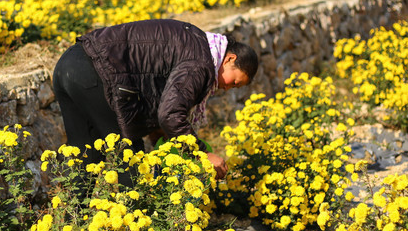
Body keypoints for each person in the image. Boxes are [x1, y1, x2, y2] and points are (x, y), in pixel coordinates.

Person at [52, 19, 258, 180]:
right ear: (230, 59)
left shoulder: (197, 42)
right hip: (95, 73)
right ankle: (135, 228)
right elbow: (169, 114)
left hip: (69, 62)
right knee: (131, 158)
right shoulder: (201, 63)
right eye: (234, 82)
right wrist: (203, 153)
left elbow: (156, 88)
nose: (227, 88)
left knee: (84, 153)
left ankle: (73, 224)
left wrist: (158, 131)